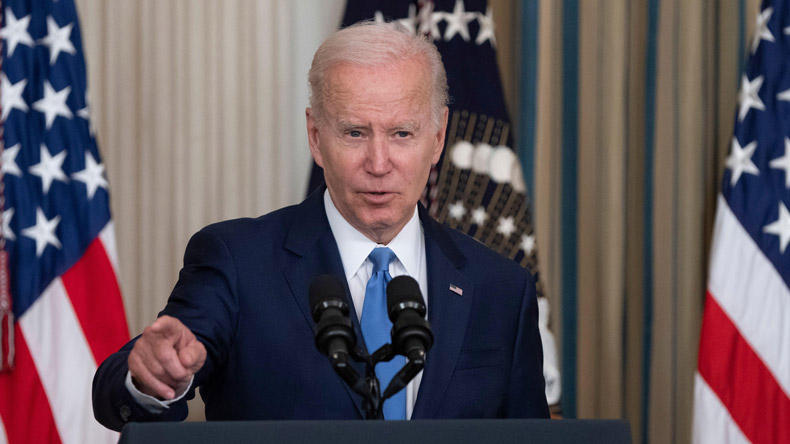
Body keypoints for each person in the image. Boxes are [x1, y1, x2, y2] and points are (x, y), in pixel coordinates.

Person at [92, 21, 549, 431]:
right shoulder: (238, 262)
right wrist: (151, 377)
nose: (378, 163)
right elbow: (118, 394)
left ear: (437, 137)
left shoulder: (500, 289)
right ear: (316, 136)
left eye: (401, 134)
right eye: (354, 132)